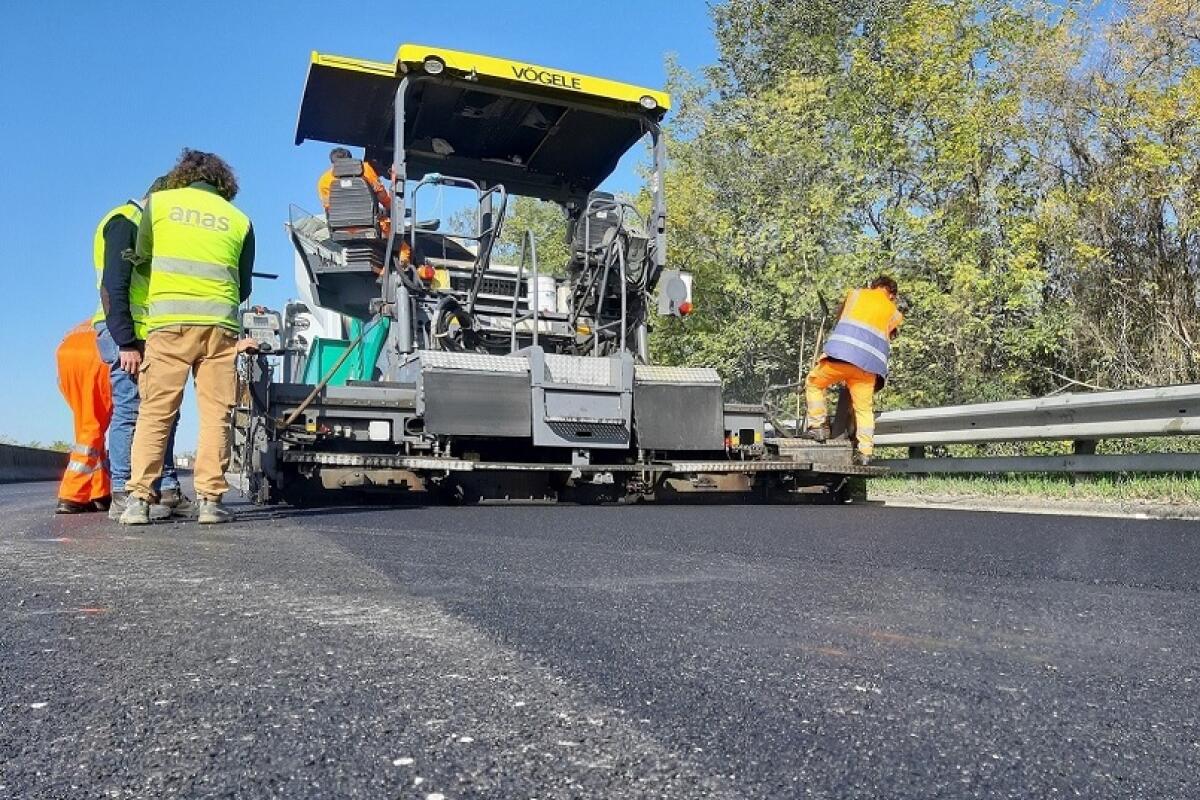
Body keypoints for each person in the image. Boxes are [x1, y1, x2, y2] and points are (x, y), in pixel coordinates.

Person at [120, 149, 255, 525]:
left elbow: (144, 257)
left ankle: (139, 502)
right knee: (216, 415)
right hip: (219, 329)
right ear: (224, 182)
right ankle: (210, 501)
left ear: (183, 174)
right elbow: (243, 286)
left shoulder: (159, 205)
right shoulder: (239, 219)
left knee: (155, 412)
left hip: (169, 325)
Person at [92, 183, 187, 520]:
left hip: (148, 334)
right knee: (131, 412)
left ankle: (164, 489)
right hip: (127, 335)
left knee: (163, 414)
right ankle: (122, 491)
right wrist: (126, 342)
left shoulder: (145, 227)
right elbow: (113, 286)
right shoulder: (125, 221)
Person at [804, 276, 904, 465]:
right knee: (864, 409)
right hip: (867, 368)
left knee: (814, 383)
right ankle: (865, 453)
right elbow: (889, 334)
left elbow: (841, 317)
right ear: (892, 294)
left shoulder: (855, 294)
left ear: (873, 287)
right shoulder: (895, 314)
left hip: (840, 357)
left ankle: (817, 426)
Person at [54, 322, 113, 513]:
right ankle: (72, 494)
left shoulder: (91, 319)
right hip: (98, 351)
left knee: (87, 422)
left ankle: (99, 491)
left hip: (67, 351)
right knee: (92, 425)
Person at [316, 147, 391, 213]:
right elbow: (381, 194)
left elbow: (328, 206)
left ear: (332, 163)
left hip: (340, 225)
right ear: (351, 159)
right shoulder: (365, 169)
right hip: (369, 222)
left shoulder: (324, 180)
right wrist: (389, 207)